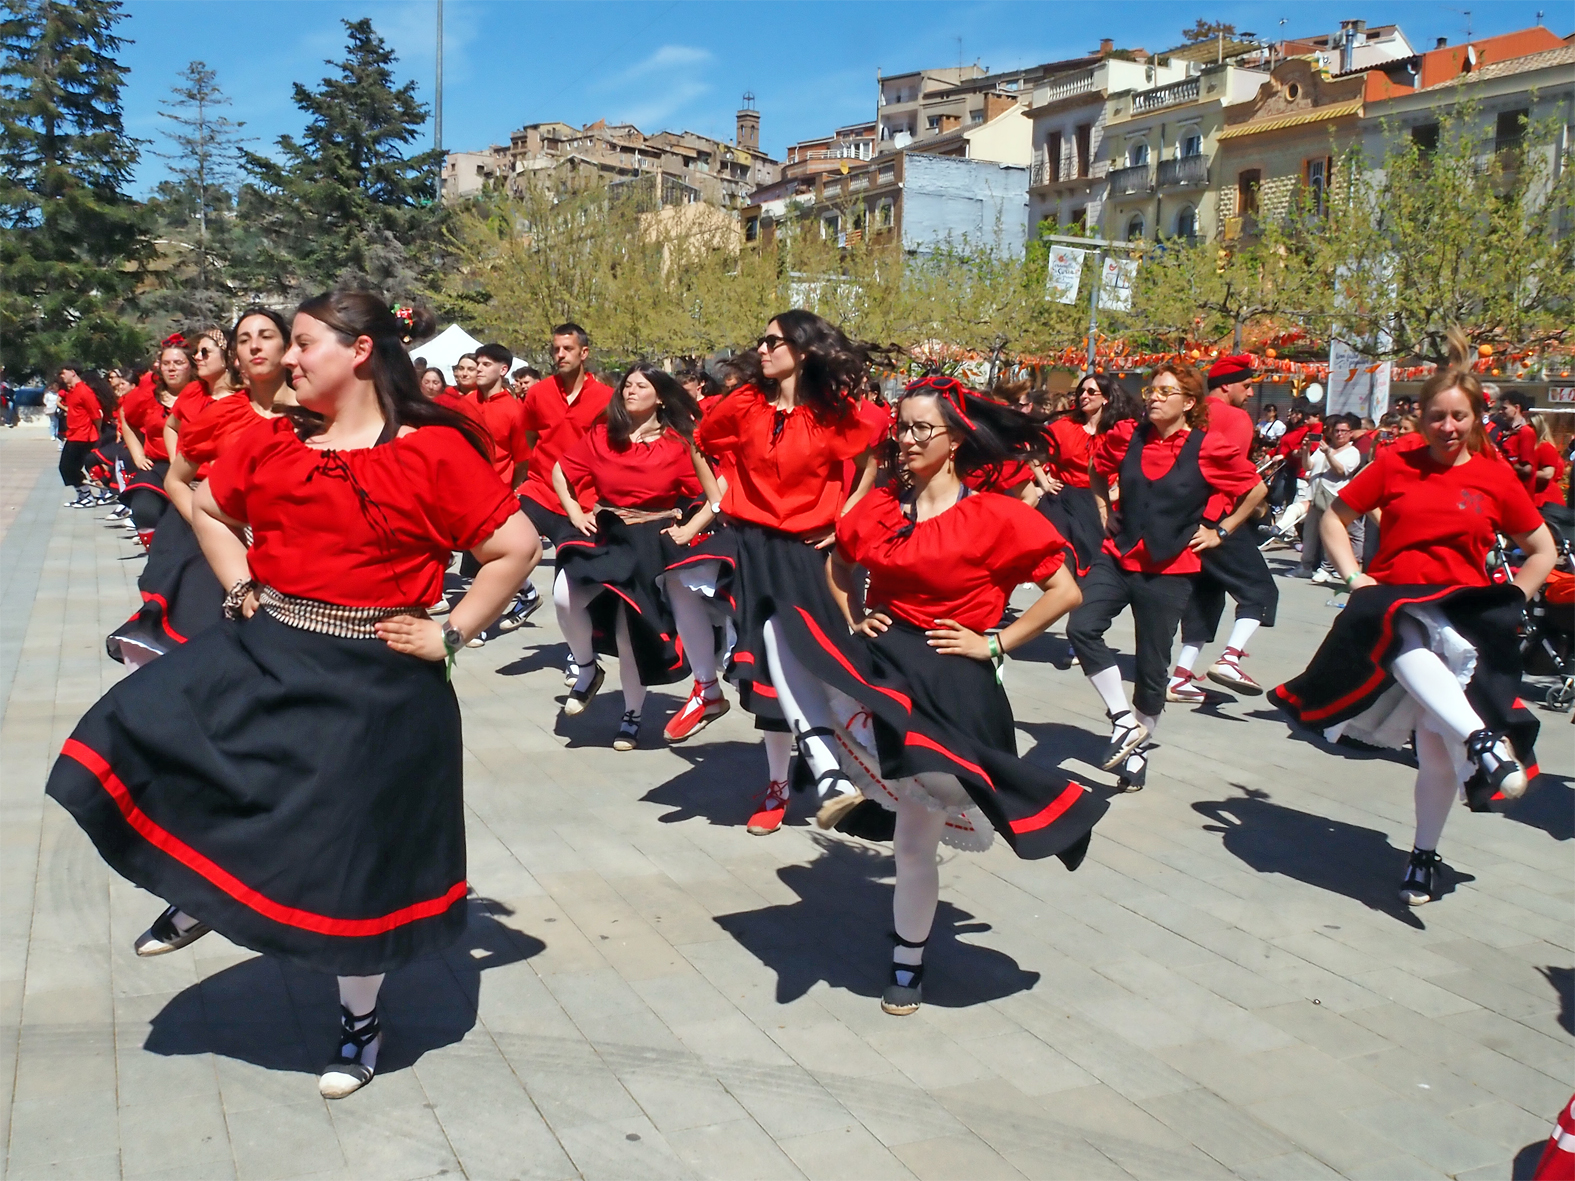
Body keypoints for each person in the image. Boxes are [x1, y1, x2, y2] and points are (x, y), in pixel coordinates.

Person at [46, 291, 541, 1100]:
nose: (289, 357)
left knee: (351, 863)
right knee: (139, 728)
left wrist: (452, 631)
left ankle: (360, 1023)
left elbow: (512, 546)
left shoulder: (431, 451)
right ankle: (202, 892)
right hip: (270, 649)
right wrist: (240, 583)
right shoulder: (273, 442)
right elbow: (203, 504)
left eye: (305, 343)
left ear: (361, 352)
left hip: (376, 684)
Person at [771, 374, 1107, 1014]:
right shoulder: (878, 512)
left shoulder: (997, 515)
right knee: (779, 625)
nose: (906, 439)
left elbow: (1065, 593)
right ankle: (830, 779)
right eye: (901, 427)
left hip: (954, 677)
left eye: (921, 428)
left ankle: (907, 963)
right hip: (885, 659)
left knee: (916, 838)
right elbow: (838, 566)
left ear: (955, 441)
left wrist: (999, 643)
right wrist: (852, 615)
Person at [1271, 329, 1555, 906]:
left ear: (1475, 418)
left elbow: (1543, 549)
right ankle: (1483, 742)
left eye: (1458, 417)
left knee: (1433, 743)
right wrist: (1354, 575)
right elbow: (1334, 516)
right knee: (1403, 627)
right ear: (1421, 418)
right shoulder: (1396, 464)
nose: (1447, 428)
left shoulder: (1496, 478)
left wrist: (1513, 602)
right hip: (1395, 600)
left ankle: (1424, 854)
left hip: (1464, 613)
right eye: (1436, 417)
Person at [663, 310, 880, 832]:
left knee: (795, 655)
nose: (762, 350)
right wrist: (719, 500)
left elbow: (873, 457)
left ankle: (834, 771)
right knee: (681, 580)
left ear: (803, 351)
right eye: (761, 340)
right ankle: (706, 689)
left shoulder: (835, 413)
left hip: (804, 552)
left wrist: (846, 518)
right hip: (750, 543)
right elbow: (701, 440)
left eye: (774, 342)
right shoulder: (745, 404)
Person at [1067, 362, 1266, 790]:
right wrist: (1104, 511)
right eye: (1152, 389)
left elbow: (1255, 489)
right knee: (1082, 626)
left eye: (1165, 391)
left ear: (1188, 403)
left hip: (1171, 568)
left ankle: (1136, 750)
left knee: (1153, 666)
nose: (1153, 397)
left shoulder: (1208, 447)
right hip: (1118, 556)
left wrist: (1221, 532)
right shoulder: (1126, 436)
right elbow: (1096, 469)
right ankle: (1123, 720)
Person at [551, 364, 723, 749]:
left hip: (650, 541)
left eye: (640, 386)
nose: (629, 391)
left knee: (630, 633)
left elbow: (713, 494)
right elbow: (560, 471)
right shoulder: (602, 435)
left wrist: (690, 528)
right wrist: (575, 511)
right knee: (564, 594)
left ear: (660, 396)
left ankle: (632, 714)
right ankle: (585, 669)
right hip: (605, 532)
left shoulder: (679, 444)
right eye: (627, 385)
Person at [1168, 355, 1281, 701]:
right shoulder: (1235, 417)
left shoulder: (1187, 413)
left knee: (1206, 597)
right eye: (1247, 386)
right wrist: (1232, 523)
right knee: (1261, 592)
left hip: (1182, 518)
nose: (1250, 394)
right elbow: (1236, 476)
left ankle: (1181, 678)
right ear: (1227, 385)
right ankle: (1230, 658)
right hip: (1217, 520)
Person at [458, 342, 537, 636]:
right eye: (477, 363)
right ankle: (527, 592)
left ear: (503, 370)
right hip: (464, 490)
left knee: (490, 556)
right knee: (480, 555)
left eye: (486, 364)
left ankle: (476, 625)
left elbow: (522, 460)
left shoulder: (515, 411)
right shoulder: (464, 404)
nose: (478, 368)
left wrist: (512, 491)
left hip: (496, 494)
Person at [1035, 373, 1136, 578]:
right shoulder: (1064, 427)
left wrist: (1116, 495)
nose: (1084, 396)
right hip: (1064, 499)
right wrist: (1044, 482)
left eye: (1091, 391)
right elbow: (1033, 454)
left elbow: (1134, 469)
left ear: (1106, 398)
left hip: (1099, 501)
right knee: (1064, 554)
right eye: (1081, 391)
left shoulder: (1117, 432)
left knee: (1096, 565)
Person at [117, 342, 192, 546]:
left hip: (195, 468)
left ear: (191, 365)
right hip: (159, 466)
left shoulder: (202, 393)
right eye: (166, 363)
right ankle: (158, 553)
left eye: (178, 362)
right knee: (144, 509)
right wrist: (138, 456)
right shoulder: (148, 396)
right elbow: (127, 419)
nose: (171, 368)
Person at [1295, 413, 1362, 582]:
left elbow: (1341, 471)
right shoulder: (1324, 447)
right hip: (1316, 494)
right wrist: (1306, 452)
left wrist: (1329, 454)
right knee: (1310, 533)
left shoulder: (1352, 452)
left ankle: (1327, 567)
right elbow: (1308, 466)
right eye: (1337, 431)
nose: (1339, 434)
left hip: (1334, 497)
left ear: (1350, 433)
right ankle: (1306, 565)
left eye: (1344, 431)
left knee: (1329, 533)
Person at [57, 363, 105, 507]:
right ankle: (84, 494)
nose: (62, 376)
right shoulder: (71, 391)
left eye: (64, 372)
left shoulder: (84, 391)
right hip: (73, 434)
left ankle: (88, 496)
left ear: (72, 372)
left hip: (83, 436)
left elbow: (96, 414)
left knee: (68, 467)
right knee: (67, 467)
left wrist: (98, 431)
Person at [1494, 390, 1538, 494]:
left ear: (1517, 408)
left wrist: (1503, 464)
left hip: (1519, 491)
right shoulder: (1509, 431)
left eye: (1504, 408)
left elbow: (1526, 469)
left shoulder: (1526, 432)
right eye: (1500, 409)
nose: (1500, 411)